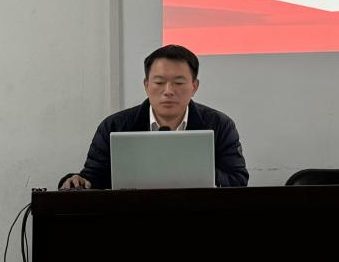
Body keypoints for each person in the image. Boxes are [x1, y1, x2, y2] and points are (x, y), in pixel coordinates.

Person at [59, 44, 248, 189]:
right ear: (146, 85)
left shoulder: (219, 125)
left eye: (178, 83)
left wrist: (199, 172)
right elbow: (93, 178)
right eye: (159, 82)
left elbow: (238, 179)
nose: (168, 91)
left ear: (194, 86)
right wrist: (77, 180)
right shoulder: (114, 126)